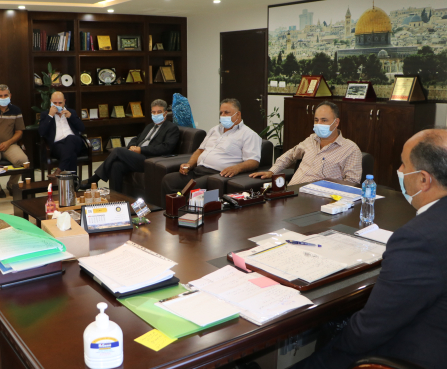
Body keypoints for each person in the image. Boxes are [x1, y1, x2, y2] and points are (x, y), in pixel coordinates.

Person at [295, 128, 447, 369]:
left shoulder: (418, 239)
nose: (399, 171)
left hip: (411, 352)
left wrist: (330, 350)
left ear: (423, 180)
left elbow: (368, 331)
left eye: (404, 164)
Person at [161, 99, 262, 204]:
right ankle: (171, 211)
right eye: (221, 113)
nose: (223, 115)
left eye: (227, 112)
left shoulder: (249, 135)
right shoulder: (215, 129)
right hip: (197, 171)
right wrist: (189, 165)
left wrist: (236, 168)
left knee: (192, 188)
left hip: (216, 175)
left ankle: (184, 211)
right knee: (169, 180)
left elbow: (253, 161)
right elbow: (200, 150)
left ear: (238, 114)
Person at [250, 101, 362, 185]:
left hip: (318, 200)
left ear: (336, 122)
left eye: (324, 120)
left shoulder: (350, 149)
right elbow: (290, 155)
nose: (319, 124)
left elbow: (352, 183)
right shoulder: (311, 139)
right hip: (292, 193)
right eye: (316, 120)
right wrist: (272, 171)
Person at [80, 99, 180, 192]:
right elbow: (136, 139)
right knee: (116, 165)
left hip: (150, 159)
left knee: (118, 150)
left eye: (159, 112)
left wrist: (141, 150)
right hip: (137, 155)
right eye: (153, 112)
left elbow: (166, 147)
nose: (156, 114)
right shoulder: (149, 126)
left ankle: (94, 179)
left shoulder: (171, 128)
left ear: (165, 113)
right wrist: (132, 146)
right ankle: (116, 198)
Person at [38, 91, 87, 179]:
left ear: (64, 101)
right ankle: (73, 184)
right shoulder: (46, 114)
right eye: (55, 103)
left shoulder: (71, 112)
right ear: (50, 102)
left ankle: (59, 170)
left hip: (75, 142)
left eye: (60, 103)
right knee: (72, 155)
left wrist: (71, 117)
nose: (57, 105)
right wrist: (50, 116)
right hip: (58, 145)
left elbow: (82, 128)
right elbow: (41, 132)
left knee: (70, 138)